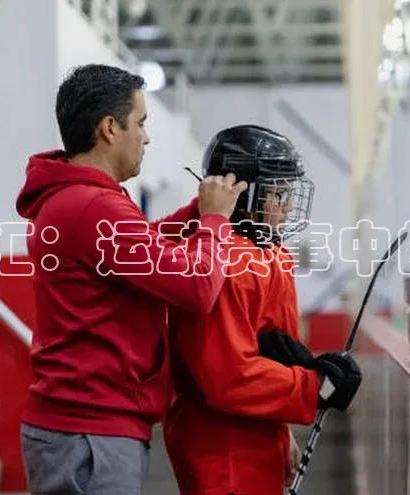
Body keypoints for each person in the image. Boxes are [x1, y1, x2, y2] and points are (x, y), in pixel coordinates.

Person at [14, 63, 247, 494]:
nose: (146, 136)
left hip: (80, 430)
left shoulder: (75, 199)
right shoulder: (94, 207)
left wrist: (197, 212)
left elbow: (141, 245)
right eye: (140, 122)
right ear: (109, 128)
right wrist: (214, 220)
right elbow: (196, 288)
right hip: (90, 436)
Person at [162, 124, 363, 495]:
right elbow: (227, 377)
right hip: (223, 448)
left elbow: (272, 353)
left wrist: (282, 428)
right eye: (279, 194)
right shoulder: (226, 262)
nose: (287, 207)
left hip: (257, 437)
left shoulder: (273, 255)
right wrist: (312, 387)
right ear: (244, 195)